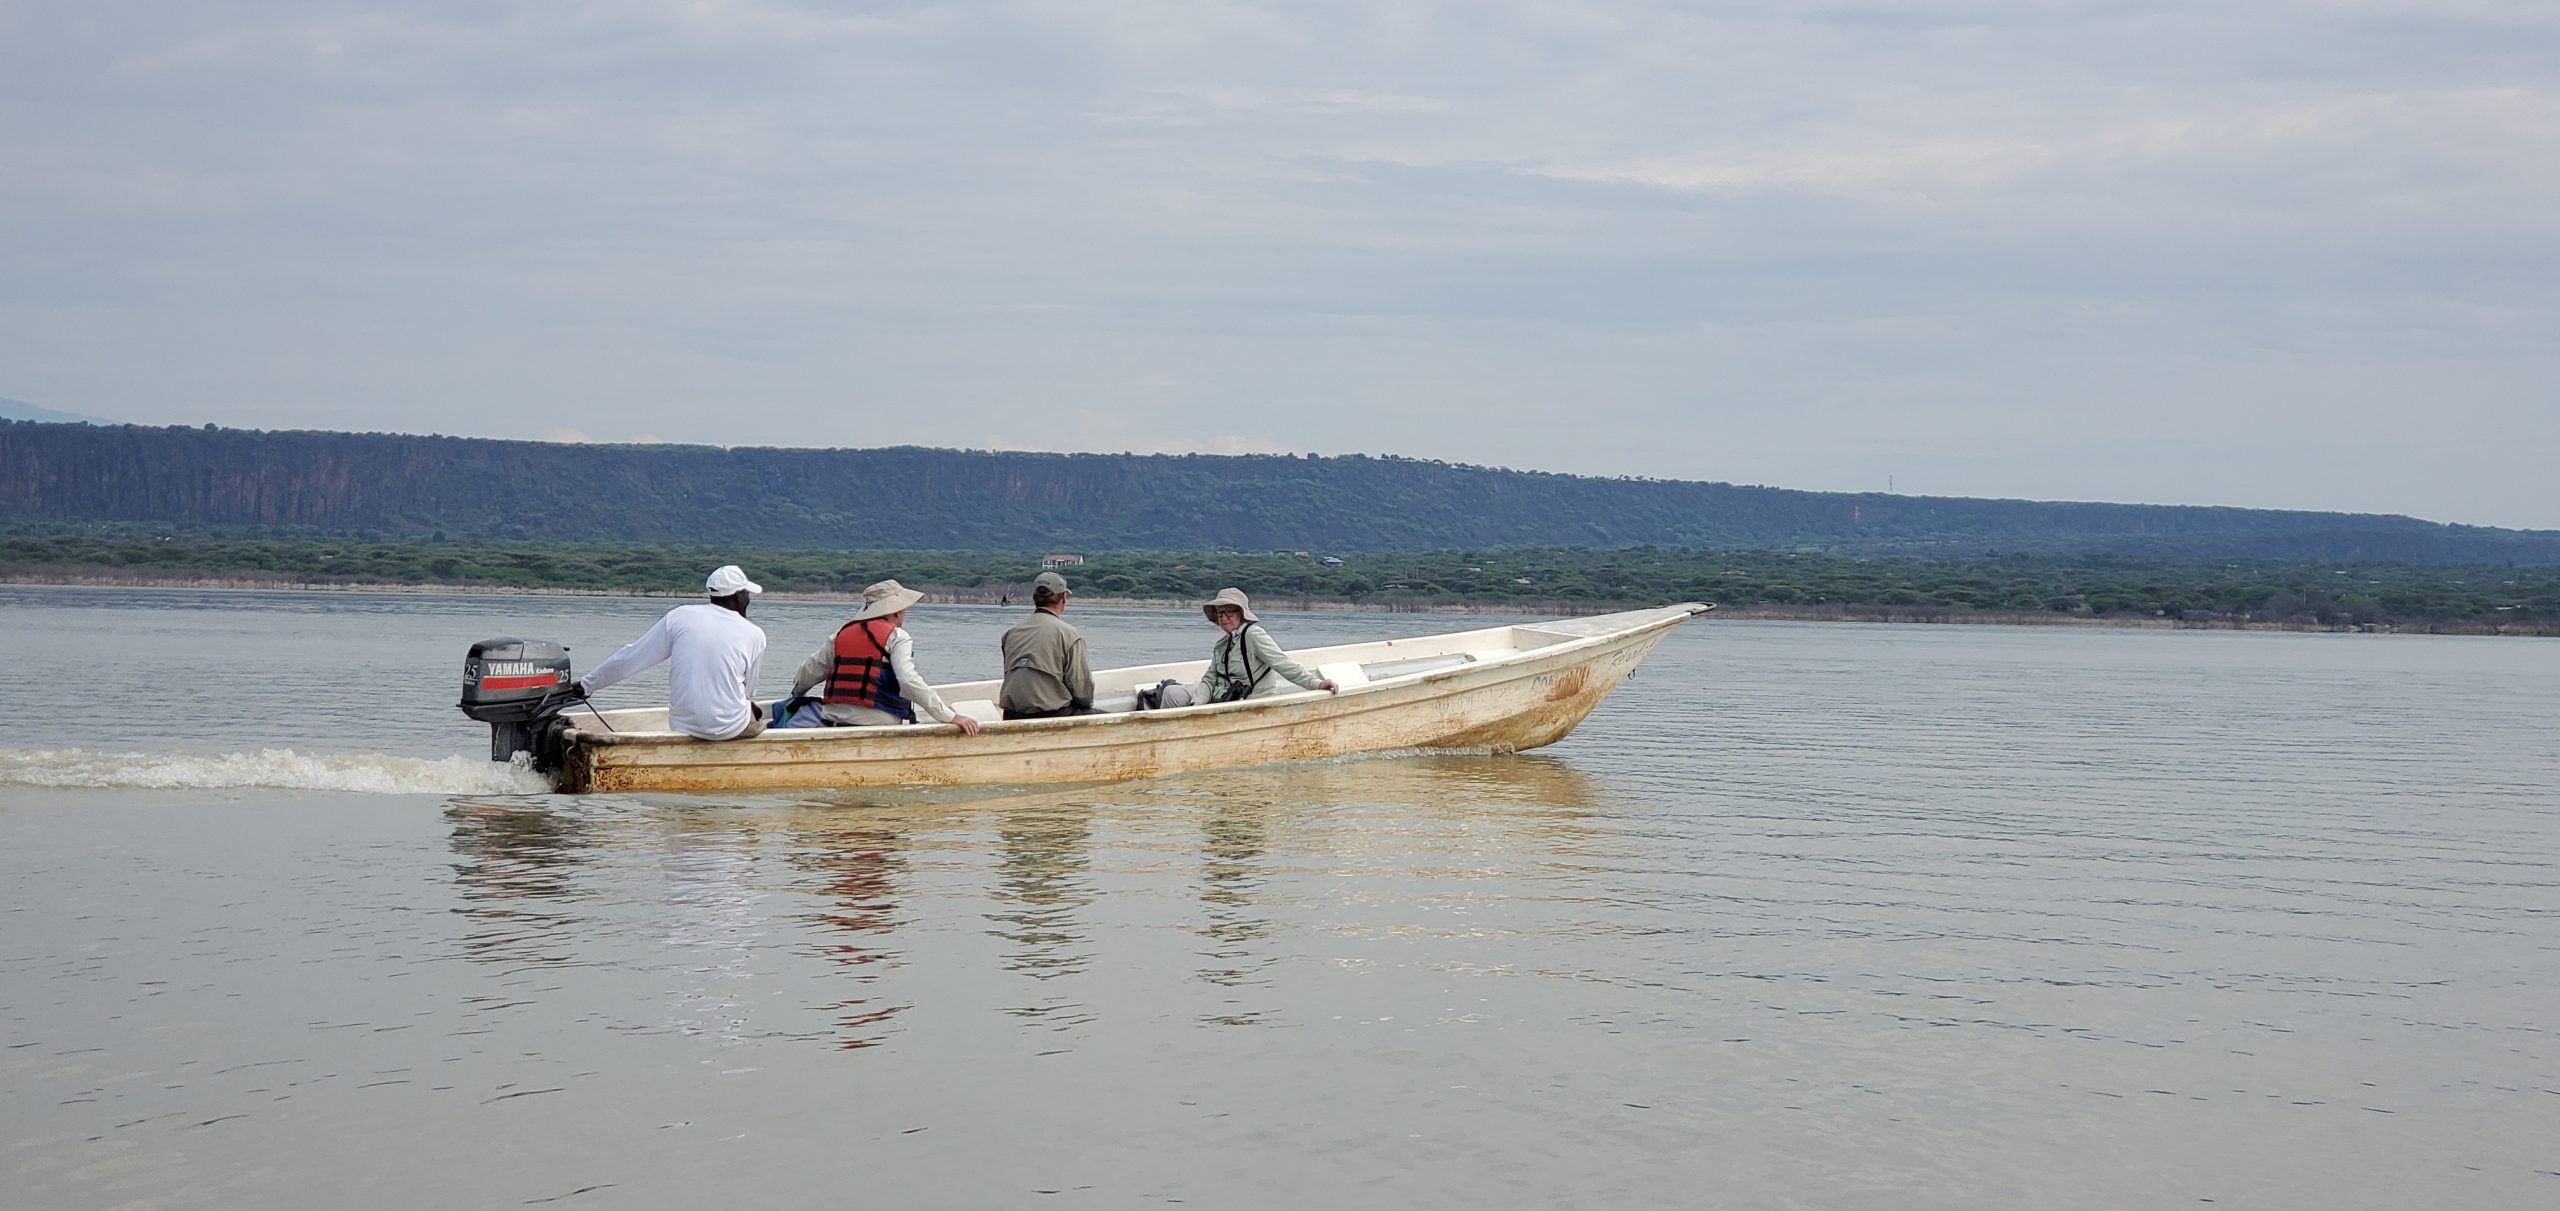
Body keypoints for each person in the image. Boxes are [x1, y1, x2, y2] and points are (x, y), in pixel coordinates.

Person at [574, 565, 769, 741]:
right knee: (760, 718)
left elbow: (630, 658)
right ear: (738, 596)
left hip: (683, 725)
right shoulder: (754, 634)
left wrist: (586, 685)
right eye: (746, 594)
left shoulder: (680, 616)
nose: (748, 598)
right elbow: (748, 693)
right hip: (729, 729)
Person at [786, 579, 982, 735]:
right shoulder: (897, 637)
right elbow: (908, 680)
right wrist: (950, 717)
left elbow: (808, 672)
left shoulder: (841, 634)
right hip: (877, 726)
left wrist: (796, 695)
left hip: (832, 723)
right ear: (896, 611)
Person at [1195, 587, 1337, 703]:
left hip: (1250, 704)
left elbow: (1283, 664)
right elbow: (1209, 679)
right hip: (1221, 701)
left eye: (1229, 612)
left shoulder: (1253, 635)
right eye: (1220, 613)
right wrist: (1196, 704)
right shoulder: (1222, 645)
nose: (1224, 618)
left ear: (1241, 613)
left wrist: (1316, 684)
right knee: (1172, 694)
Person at [998, 571, 1096, 720]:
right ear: (1063, 599)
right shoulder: (1069, 634)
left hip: (1012, 715)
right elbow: (1082, 693)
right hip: (1053, 714)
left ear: (1035, 599)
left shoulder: (1011, 633)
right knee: (1112, 717)